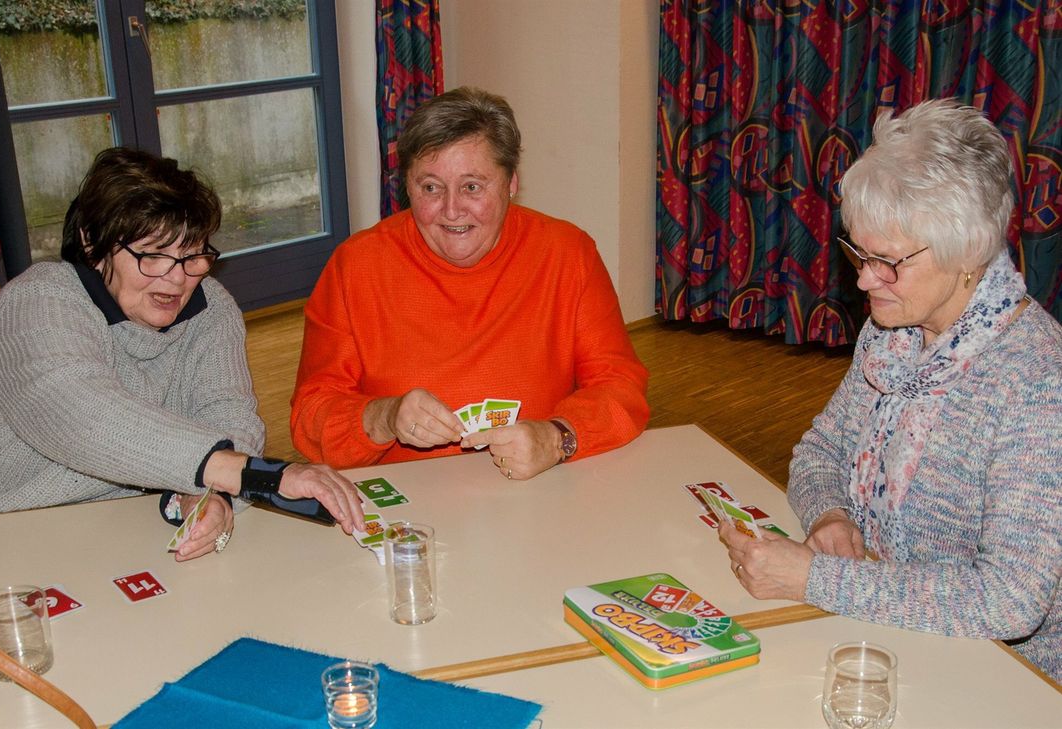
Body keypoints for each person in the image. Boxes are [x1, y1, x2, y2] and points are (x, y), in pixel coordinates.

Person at [718, 99, 1062, 681]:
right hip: (880, 624)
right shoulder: (895, 335)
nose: (862, 279)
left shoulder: (1035, 382)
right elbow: (820, 453)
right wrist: (829, 516)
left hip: (998, 673)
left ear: (968, 253)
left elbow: (1012, 599)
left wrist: (814, 579)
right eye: (859, 252)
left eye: (888, 262)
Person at [0, 147, 365, 560]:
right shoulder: (38, 299)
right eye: (153, 255)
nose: (177, 279)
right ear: (91, 242)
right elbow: (80, 413)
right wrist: (253, 475)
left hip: (115, 533)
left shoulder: (210, 306)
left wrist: (211, 497)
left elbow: (228, 414)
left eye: (192, 255)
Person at [291, 86, 649, 480]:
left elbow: (620, 387)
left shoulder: (567, 254)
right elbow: (311, 415)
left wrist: (556, 437)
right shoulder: (356, 266)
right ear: (407, 187)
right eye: (430, 187)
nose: (451, 209)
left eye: (472, 186)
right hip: (409, 500)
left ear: (511, 183)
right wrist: (383, 416)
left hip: (537, 488)